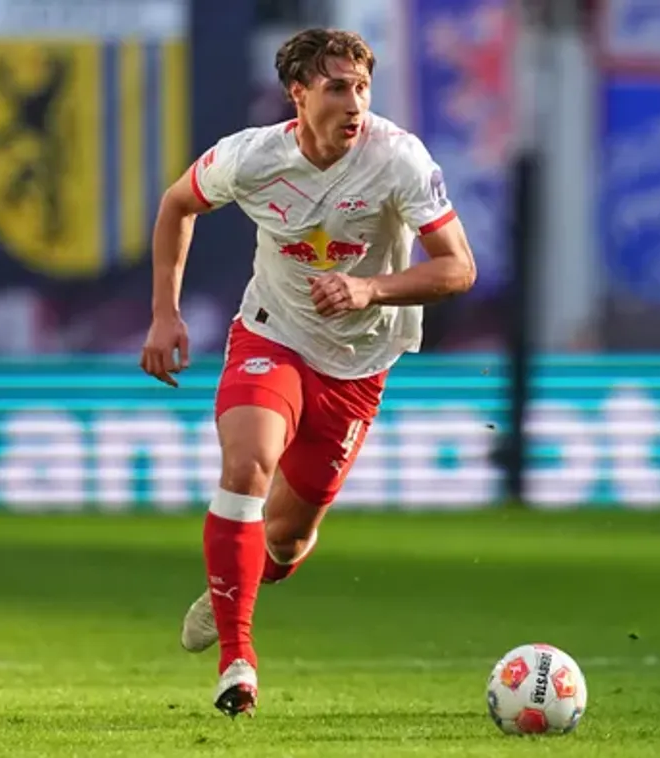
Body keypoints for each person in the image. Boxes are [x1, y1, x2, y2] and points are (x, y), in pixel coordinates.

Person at [138, 28, 476, 718]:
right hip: (274, 334)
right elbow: (177, 205)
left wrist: (368, 289)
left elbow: (458, 268)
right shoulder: (252, 157)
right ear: (298, 94)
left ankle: (238, 579)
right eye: (337, 88)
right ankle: (238, 659)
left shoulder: (399, 159)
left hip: (359, 363)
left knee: (286, 540)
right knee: (246, 467)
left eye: (362, 88)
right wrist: (165, 315)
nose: (355, 104)